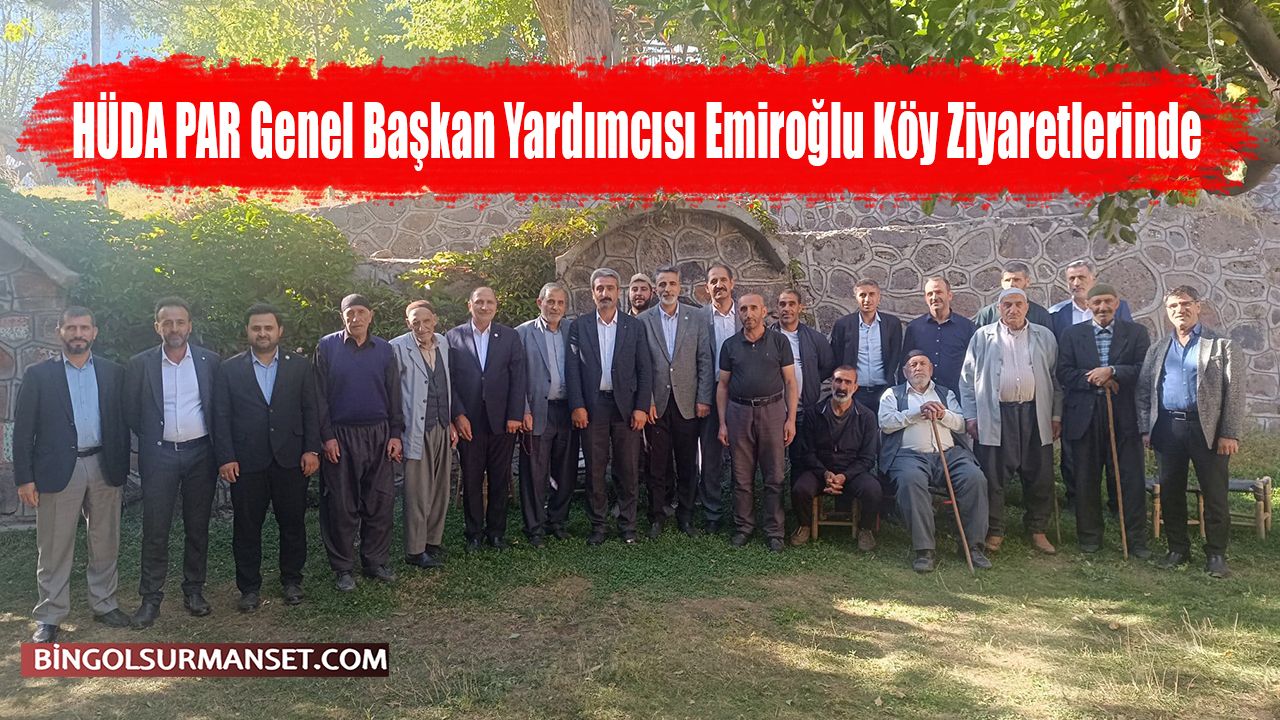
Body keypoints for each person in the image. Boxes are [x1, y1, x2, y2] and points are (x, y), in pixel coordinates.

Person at [14, 306, 131, 642]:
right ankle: (49, 615)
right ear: (59, 332)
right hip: (57, 469)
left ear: (94, 332)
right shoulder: (39, 375)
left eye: (84, 328)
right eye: (71, 328)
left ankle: (105, 604)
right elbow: (23, 431)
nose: (78, 334)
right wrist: (25, 478)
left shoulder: (112, 372)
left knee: (105, 539)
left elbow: (121, 421)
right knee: (54, 544)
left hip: (103, 464)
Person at [213, 303, 321, 611]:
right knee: (246, 528)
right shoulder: (229, 369)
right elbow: (221, 415)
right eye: (256, 328)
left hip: (291, 459)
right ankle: (248, 588)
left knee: (293, 523)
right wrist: (226, 457)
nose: (262, 333)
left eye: (268, 328)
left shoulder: (299, 366)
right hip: (246, 462)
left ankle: (292, 580)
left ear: (279, 331)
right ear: (248, 331)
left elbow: (311, 409)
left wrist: (311, 450)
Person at [1137, 286, 1244, 578]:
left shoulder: (1222, 345)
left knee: (1215, 493)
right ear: (1167, 311)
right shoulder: (1158, 348)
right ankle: (1177, 549)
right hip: (1168, 428)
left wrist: (1229, 433)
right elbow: (1145, 391)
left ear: (1198, 306)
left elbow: (1235, 394)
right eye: (1173, 306)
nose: (1179, 310)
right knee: (1171, 492)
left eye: (1185, 304)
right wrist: (1146, 428)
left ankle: (1216, 555)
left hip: (1207, 430)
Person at [126, 297, 220, 628]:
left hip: (201, 455)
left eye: (180, 322)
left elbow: (217, 408)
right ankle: (150, 599)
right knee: (155, 528)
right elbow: (132, 412)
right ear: (158, 327)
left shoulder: (210, 361)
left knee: (197, 526)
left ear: (190, 326)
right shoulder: (140, 364)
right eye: (167, 322)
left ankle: (194, 591)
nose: (174, 328)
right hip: (160, 455)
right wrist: (155, 439)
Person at [960, 288, 1061, 555]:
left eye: (1018, 304)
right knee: (993, 475)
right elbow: (967, 380)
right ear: (999, 308)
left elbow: (1055, 379)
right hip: (996, 414)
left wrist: (1055, 415)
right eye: (1007, 305)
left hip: (1034, 412)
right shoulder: (983, 336)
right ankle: (995, 530)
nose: (1013, 309)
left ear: (1027, 307)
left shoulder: (1044, 336)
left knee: (1039, 473)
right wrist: (971, 416)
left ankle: (1037, 529)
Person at [314, 294, 404, 591]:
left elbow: (394, 393)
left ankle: (374, 561)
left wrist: (395, 433)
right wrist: (327, 436)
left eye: (361, 312)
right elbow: (318, 397)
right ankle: (343, 568)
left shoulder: (384, 349)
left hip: (379, 435)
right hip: (341, 437)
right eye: (350, 313)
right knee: (341, 504)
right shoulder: (327, 347)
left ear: (371, 315)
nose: (356, 318)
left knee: (380, 502)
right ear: (342, 316)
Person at [1057, 285, 1150, 557]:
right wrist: (1095, 378)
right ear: (1088, 305)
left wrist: (1113, 371)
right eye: (1096, 302)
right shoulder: (1072, 335)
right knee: (1086, 477)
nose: (1102, 307)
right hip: (1085, 415)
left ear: (1117, 303)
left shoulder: (1136, 333)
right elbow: (1064, 372)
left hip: (1124, 415)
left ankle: (1135, 539)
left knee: (1130, 478)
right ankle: (1089, 537)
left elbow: (1143, 369)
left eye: (1108, 301)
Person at [880, 351, 991, 573]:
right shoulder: (892, 394)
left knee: (975, 478)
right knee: (911, 481)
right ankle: (925, 550)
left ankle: (973, 547)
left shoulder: (945, 393)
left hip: (949, 455)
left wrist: (942, 414)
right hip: (909, 456)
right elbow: (886, 423)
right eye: (912, 364)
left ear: (931, 369)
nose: (918, 368)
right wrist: (916, 413)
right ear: (905, 372)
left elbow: (961, 424)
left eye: (923, 364)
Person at [567, 268, 653, 545]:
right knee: (594, 469)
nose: (605, 293)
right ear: (593, 293)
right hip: (593, 408)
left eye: (610, 288)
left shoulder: (634, 326)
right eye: (600, 288)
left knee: (628, 468)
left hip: (626, 408)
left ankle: (628, 526)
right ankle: (598, 526)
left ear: (619, 292)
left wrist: (641, 407)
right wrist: (577, 405)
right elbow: (572, 371)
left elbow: (645, 369)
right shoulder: (579, 326)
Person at [1049, 258, 1133, 513]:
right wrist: (1092, 377)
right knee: (1075, 451)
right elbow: (1059, 359)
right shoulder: (1057, 314)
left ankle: (1117, 503)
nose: (1076, 283)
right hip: (1075, 393)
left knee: (1113, 450)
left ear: (1093, 279)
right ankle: (1078, 501)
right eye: (1071, 278)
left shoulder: (1118, 308)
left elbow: (1126, 347)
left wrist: (1111, 375)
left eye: (1081, 277)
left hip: (1113, 393)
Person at [717, 293, 799, 552]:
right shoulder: (730, 345)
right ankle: (744, 527)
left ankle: (775, 531)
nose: (748, 313)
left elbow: (790, 382)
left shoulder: (779, 342)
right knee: (741, 476)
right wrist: (722, 423)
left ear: (764, 311)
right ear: (739, 313)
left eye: (754, 308)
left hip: (772, 412)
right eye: (743, 309)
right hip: (739, 412)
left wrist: (791, 419)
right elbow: (722, 385)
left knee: (775, 475)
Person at [447, 287, 526, 551]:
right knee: (471, 478)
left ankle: (496, 533)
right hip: (469, 421)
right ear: (469, 305)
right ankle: (474, 533)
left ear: (496, 305)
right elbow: (449, 381)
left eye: (489, 302)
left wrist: (515, 415)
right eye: (479, 302)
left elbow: (518, 378)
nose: (484, 306)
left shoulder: (510, 336)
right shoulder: (453, 337)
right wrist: (458, 414)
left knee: (499, 477)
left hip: (502, 420)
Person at [639, 265, 714, 538]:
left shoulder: (696, 317)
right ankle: (657, 517)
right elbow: (640, 365)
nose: (667, 289)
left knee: (687, 464)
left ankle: (685, 516)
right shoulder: (643, 320)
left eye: (671, 284)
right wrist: (646, 401)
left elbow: (704, 360)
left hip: (688, 403)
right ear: (655, 289)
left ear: (679, 287)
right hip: (656, 406)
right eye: (662, 284)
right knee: (656, 465)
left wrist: (703, 398)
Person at [390, 300, 456, 567]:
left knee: (440, 488)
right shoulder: (397, 348)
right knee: (417, 491)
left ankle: (432, 542)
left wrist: (451, 422)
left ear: (435, 320)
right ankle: (415, 550)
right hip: (415, 428)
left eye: (426, 321)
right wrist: (396, 432)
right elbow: (392, 394)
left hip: (442, 425)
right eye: (415, 322)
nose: (421, 327)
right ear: (408, 323)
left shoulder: (444, 343)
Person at [789, 366, 881, 551]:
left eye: (848, 382)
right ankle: (804, 525)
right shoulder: (814, 413)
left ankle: (865, 529)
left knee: (873, 490)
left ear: (855, 387)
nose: (842, 386)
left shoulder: (867, 416)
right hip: (820, 470)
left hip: (852, 472)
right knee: (800, 489)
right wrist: (824, 473)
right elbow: (807, 452)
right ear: (831, 383)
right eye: (838, 380)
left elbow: (867, 458)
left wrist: (844, 476)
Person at [516, 284, 577, 545]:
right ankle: (535, 528)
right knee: (534, 472)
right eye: (550, 301)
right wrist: (523, 410)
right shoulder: (522, 333)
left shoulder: (572, 331)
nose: (555, 307)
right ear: (539, 302)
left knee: (566, 470)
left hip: (567, 410)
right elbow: (516, 377)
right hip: (537, 411)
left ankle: (557, 521)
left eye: (560, 303)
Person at [698, 263, 741, 533]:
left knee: (742, 458)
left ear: (732, 283)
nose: (719, 285)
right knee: (711, 458)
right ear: (707, 287)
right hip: (710, 394)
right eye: (713, 281)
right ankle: (712, 514)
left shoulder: (745, 314)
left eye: (723, 280)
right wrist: (701, 397)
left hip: (742, 396)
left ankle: (741, 513)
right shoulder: (698, 318)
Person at [830, 279, 902, 412]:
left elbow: (895, 354)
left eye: (872, 294)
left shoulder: (892, 324)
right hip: (854, 391)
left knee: (883, 424)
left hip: (884, 390)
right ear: (856, 298)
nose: (867, 299)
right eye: (862, 295)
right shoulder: (843, 325)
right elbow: (837, 356)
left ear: (879, 297)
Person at [900, 276, 976, 394]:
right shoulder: (914, 328)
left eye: (939, 292)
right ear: (925, 298)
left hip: (957, 395)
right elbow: (906, 364)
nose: (934, 297)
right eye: (930, 294)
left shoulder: (967, 327)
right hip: (923, 396)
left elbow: (975, 365)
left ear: (949, 295)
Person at [774, 288, 836, 411]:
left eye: (792, 304)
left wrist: (811, 378)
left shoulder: (815, 338)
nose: (786, 308)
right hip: (775, 409)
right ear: (777, 308)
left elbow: (828, 366)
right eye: (782, 304)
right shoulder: (767, 338)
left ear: (800, 308)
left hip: (805, 408)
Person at [972, 262, 1053, 328]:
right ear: (1002, 283)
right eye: (1007, 280)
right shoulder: (987, 314)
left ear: (1027, 282)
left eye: (1016, 280)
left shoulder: (1040, 314)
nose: (1011, 284)